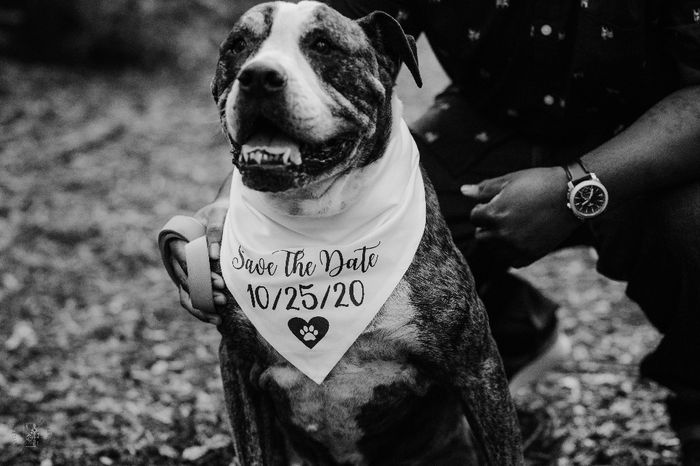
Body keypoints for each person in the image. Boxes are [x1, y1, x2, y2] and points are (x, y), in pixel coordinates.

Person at [166, 0, 700, 463]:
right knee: (386, 233)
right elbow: (303, 45)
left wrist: (573, 188)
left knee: (694, 227)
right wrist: (224, 210)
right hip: (485, 127)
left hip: (650, 137)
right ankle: (509, 337)